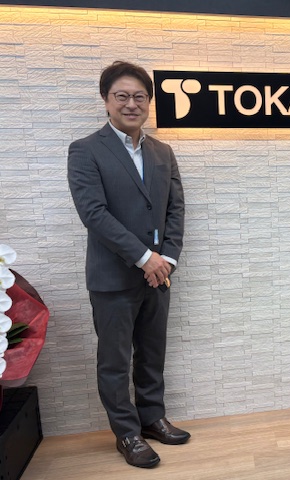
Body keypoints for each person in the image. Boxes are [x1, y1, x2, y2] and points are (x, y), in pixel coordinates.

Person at [68, 61, 189, 468]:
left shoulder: (162, 152)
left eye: (139, 96)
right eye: (122, 96)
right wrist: (143, 257)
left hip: (159, 275)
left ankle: (152, 418)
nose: (131, 104)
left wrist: (166, 258)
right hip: (113, 277)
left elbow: (175, 209)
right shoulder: (85, 150)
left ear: (149, 102)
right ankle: (127, 432)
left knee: (152, 352)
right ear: (106, 100)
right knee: (115, 361)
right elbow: (93, 213)